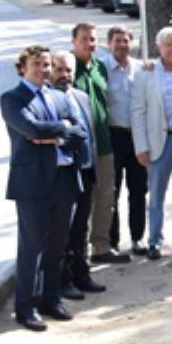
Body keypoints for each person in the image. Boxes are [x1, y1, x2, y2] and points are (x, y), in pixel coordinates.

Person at [2, 46, 87, 331]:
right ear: (23, 68)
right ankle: (26, 307)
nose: (43, 69)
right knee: (32, 248)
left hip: (64, 180)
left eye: (47, 64)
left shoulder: (59, 96)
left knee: (57, 246)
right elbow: (32, 130)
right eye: (36, 64)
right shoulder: (12, 99)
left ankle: (52, 298)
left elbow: (80, 132)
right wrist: (60, 130)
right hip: (34, 184)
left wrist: (55, 134)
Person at [132, 27, 172, 260]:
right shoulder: (146, 73)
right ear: (159, 47)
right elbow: (138, 111)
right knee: (156, 195)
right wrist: (141, 146)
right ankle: (154, 241)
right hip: (160, 140)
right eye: (168, 44)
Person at [72, 22, 129, 263]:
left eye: (93, 39)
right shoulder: (68, 69)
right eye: (84, 39)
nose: (89, 44)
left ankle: (101, 247)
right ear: (74, 41)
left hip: (104, 145)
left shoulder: (99, 68)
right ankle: (76, 253)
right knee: (81, 201)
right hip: (80, 147)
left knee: (106, 197)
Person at [51, 51, 105, 298]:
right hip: (63, 176)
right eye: (59, 70)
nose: (65, 75)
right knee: (62, 232)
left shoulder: (81, 96)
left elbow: (90, 135)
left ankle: (82, 275)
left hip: (85, 172)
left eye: (69, 70)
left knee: (81, 228)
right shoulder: (49, 99)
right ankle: (64, 280)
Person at [99, 26, 148, 255]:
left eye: (126, 41)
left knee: (138, 190)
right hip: (113, 136)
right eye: (117, 41)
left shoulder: (140, 69)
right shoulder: (101, 69)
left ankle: (138, 238)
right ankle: (112, 241)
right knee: (112, 191)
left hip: (137, 136)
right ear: (109, 44)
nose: (122, 45)